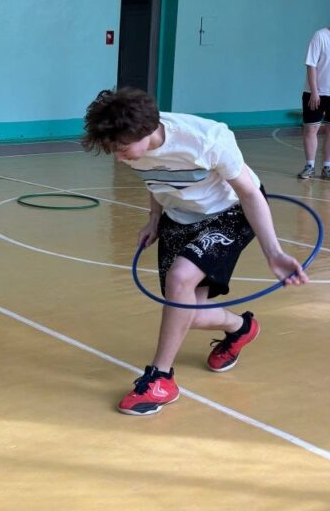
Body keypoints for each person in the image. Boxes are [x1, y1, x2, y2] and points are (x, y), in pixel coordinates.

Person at [82, 88, 308, 416]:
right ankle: (240, 328)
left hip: (229, 211)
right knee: (189, 312)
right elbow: (156, 180)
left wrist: (273, 253)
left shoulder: (207, 140)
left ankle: (161, 379)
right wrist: (154, 218)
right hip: (179, 215)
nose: (119, 157)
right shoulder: (134, 148)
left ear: (145, 130)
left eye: (121, 148)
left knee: (179, 280)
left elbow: (250, 194)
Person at [297, 24, 330, 179]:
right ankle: (309, 166)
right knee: (311, 129)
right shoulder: (320, 36)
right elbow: (311, 65)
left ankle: (327, 167)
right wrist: (315, 92)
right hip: (315, 93)